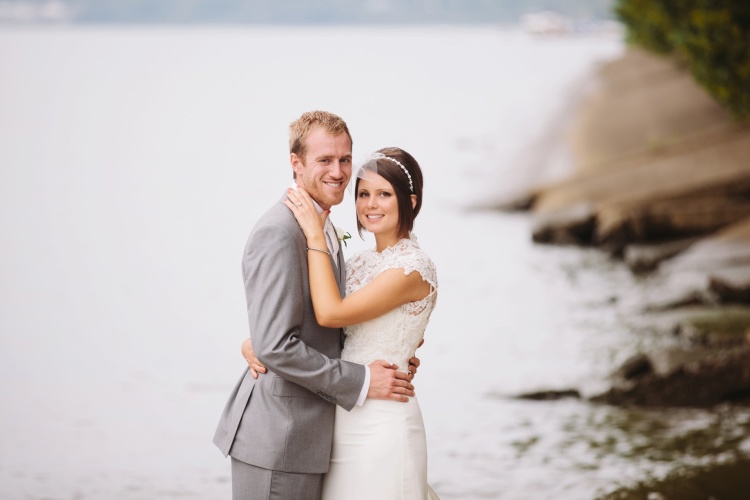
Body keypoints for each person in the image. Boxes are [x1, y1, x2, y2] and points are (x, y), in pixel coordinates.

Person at [212, 111, 420, 500]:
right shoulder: (280, 231)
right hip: (280, 440)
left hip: (312, 437)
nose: (339, 171)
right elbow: (276, 346)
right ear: (296, 163)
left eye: (345, 159)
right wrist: (362, 379)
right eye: (324, 160)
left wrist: (395, 346)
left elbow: (309, 326)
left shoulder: (320, 225)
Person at [249, 146, 439, 499]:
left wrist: (315, 236)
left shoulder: (412, 268)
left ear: (410, 202)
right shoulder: (359, 264)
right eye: (363, 194)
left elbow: (332, 314)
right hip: (342, 417)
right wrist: (257, 343)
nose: (370, 204)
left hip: (384, 422)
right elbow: (318, 326)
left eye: (384, 194)